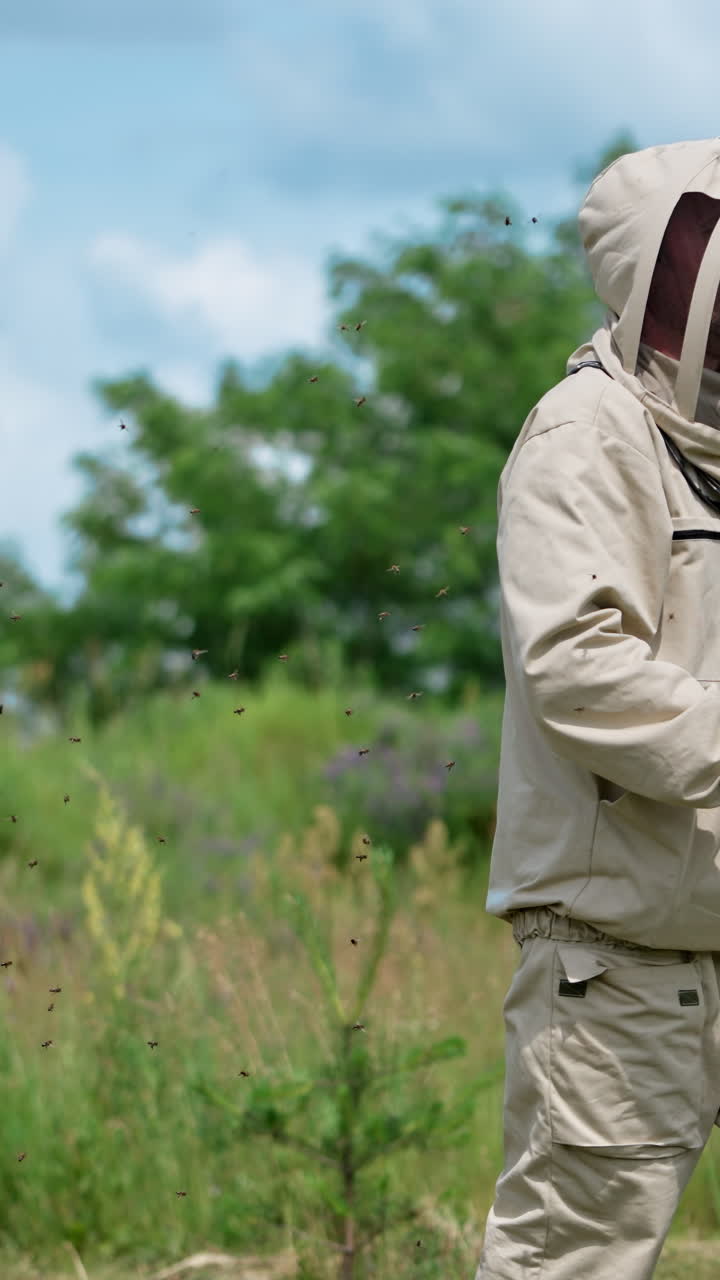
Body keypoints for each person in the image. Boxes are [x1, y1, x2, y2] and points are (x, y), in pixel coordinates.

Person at [474, 138, 720, 1280]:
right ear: (663, 279)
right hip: (616, 968)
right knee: (570, 1264)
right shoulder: (587, 437)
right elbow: (578, 663)